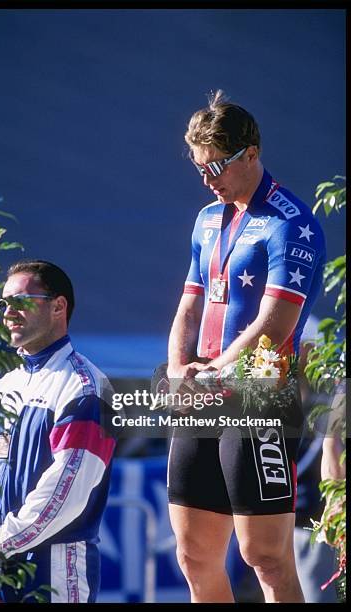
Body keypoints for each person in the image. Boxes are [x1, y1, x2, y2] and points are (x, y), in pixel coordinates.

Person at [166, 90, 326, 603]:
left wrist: (213, 373)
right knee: (193, 556)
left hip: (258, 397)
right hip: (203, 395)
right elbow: (189, 306)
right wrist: (176, 370)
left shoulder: (291, 222)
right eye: (199, 168)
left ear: (251, 153)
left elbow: (276, 322)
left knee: (266, 558)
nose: (207, 180)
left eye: (215, 167)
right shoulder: (206, 220)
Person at [0, 259, 116, 603]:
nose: (9, 313)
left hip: (52, 574)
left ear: (59, 306)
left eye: (21, 302)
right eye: (4, 303)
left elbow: (64, 494)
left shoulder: (85, 389)